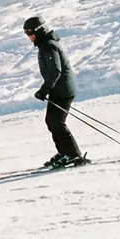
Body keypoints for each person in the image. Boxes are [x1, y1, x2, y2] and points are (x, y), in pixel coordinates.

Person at [26, 16, 85, 168]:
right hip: (59, 89)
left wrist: (44, 89)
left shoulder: (49, 45)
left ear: (40, 31)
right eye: (26, 33)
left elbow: (55, 71)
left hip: (63, 90)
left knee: (57, 122)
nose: (29, 36)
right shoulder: (46, 44)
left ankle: (73, 154)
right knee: (52, 122)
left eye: (31, 32)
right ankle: (65, 153)